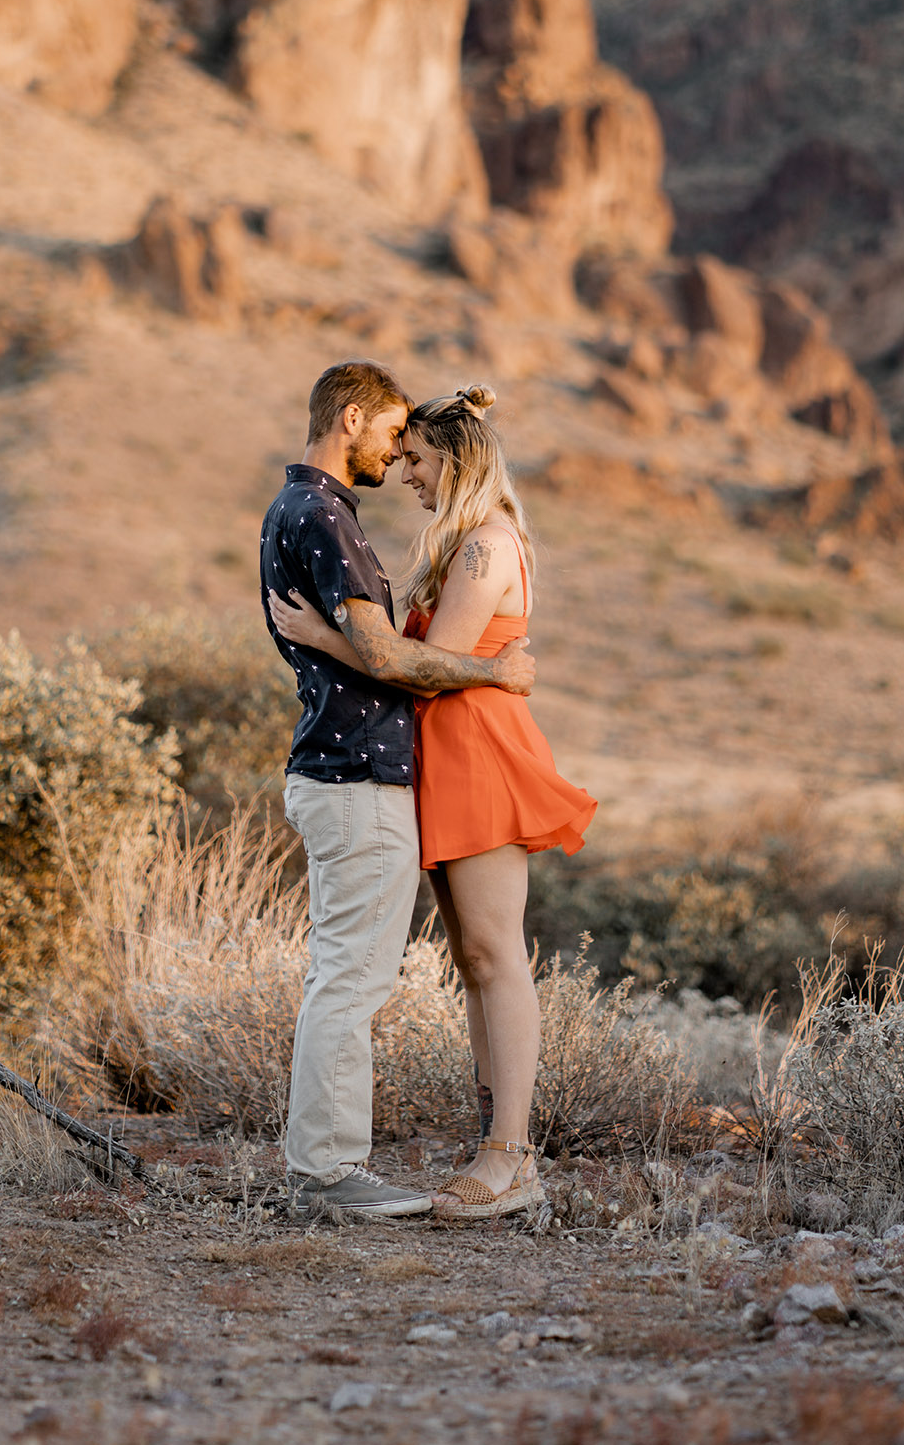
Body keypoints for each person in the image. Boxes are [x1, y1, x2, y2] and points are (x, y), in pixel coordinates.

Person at [271, 384, 595, 1220]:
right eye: (402, 455)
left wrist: (320, 636)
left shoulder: (486, 546)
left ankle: (509, 1157)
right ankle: (494, 1145)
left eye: (416, 459)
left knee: (495, 952)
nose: (407, 473)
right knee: (472, 959)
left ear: (455, 459)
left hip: (480, 754)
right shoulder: (455, 549)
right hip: (441, 760)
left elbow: (424, 662)